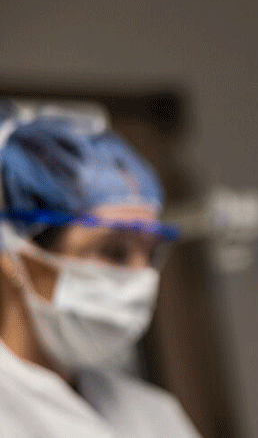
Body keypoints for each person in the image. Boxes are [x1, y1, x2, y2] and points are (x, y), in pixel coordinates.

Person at [0, 101, 200, 437]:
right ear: (17, 255)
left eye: (150, 254)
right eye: (114, 251)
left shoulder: (154, 415)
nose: (142, 277)